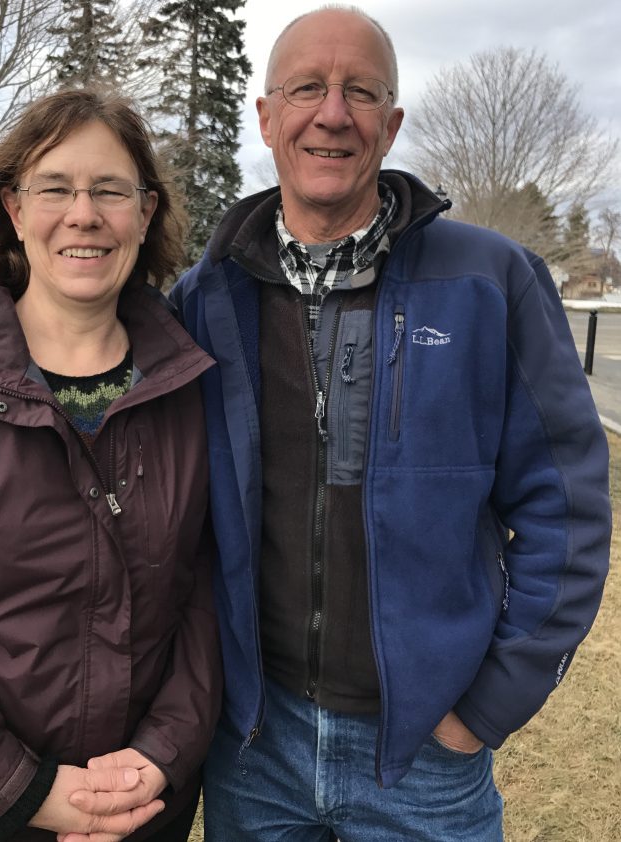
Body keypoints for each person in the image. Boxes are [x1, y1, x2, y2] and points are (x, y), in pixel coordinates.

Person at [169, 7, 612, 841]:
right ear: (266, 116)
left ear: (392, 123)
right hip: (255, 746)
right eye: (307, 88)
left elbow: (569, 509)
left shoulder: (491, 282)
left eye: (362, 92)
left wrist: (485, 709)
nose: (333, 114)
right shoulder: (205, 299)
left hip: (425, 761)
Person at [0, 88, 221, 841]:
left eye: (110, 191)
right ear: (13, 209)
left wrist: (159, 755)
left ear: (147, 213)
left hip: (138, 809)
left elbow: (207, 588)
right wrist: (20, 789)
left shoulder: (187, 383)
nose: (83, 215)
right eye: (54, 188)